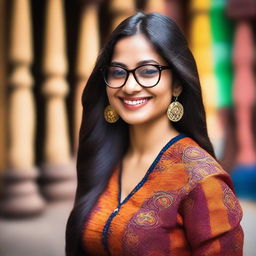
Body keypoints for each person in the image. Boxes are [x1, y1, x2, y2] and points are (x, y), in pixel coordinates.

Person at [65, 12, 244, 256]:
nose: (129, 86)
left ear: (177, 83)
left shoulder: (203, 180)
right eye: (118, 72)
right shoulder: (104, 156)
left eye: (148, 71)